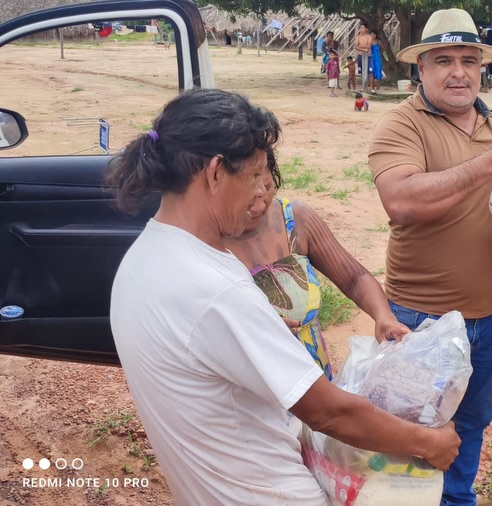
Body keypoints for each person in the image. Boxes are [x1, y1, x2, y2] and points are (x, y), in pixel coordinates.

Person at [106, 88, 460, 505]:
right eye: (254, 174)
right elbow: (329, 412)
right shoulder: (218, 290)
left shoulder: (141, 259)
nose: (263, 190)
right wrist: (427, 442)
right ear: (215, 173)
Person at [368, 8, 492, 506]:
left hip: (491, 314)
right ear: (421, 68)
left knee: (471, 424)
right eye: (443, 61)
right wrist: (489, 162)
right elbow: (402, 201)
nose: (458, 72)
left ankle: (458, 499)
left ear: (482, 67)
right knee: (412, 430)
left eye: (468, 60)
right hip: (421, 319)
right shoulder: (401, 125)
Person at [224, 152, 404, 383]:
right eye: (247, 197)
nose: (259, 204)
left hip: (314, 379)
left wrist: (383, 316)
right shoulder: (201, 242)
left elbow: (354, 277)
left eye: (267, 188)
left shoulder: (295, 220)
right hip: (249, 386)